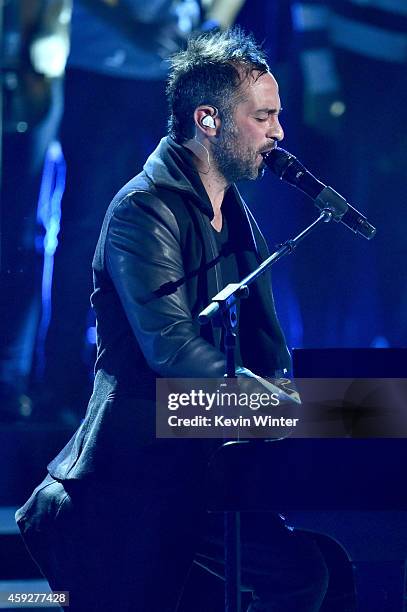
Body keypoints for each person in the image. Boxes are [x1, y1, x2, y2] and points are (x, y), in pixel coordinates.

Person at [16, 28, 337, 612]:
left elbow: (263, 338)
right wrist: (271, 404)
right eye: (263, 117)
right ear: (208, 120)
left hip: (198, 459)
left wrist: (297, 403)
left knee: (309, 574)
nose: (279, 133)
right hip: (130, 473)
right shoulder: (141, 209)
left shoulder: (232, 206)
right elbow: (170, 349)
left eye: (278, 116)